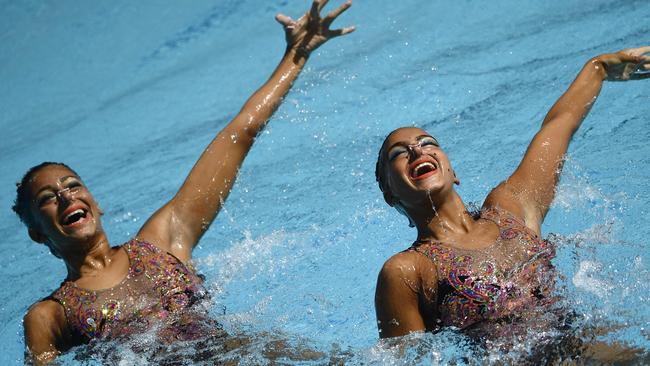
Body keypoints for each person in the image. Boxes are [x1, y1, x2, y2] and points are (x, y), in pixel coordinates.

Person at [14, 1, 354, 364]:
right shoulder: (49, 316)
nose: (66, 196)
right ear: (38, 233)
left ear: (96, 204)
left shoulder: (164, 242)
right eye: (49, 198)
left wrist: (295, 56)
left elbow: (240, 134)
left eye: (72, 185)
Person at [373, 46, 649, 356]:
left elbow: (557, 128)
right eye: (399, 153)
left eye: (428, 143)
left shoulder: (509, 210)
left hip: (584, 347)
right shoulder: (407, 270)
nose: (417, 150)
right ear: (390, 195)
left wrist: (597, 69)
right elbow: (401, 360)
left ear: (453, 171)